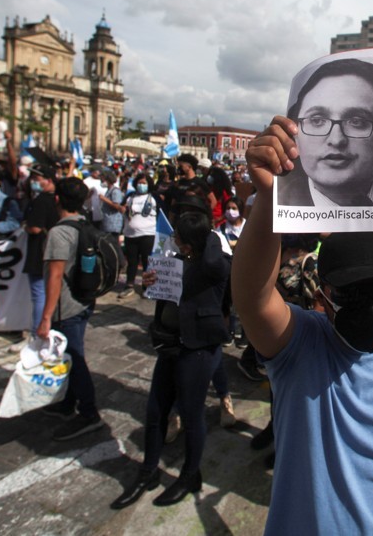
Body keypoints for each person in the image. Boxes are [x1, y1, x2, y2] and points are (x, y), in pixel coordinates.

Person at [232, 115, 373, 535]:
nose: (371, 306)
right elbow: (252, 296)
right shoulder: (299, 346)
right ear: (323, 297)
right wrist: (268, 199)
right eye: (353, 293)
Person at [111, 211, 231, 509]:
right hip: (170, 344)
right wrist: (148, 283)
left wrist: (210, 236)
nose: (173, 240)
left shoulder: (214, 264)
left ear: (190, 241)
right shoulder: (175, 261)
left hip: (199, 348)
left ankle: (191, 473)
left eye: (179, 236)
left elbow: (215, 262)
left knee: (192, 415)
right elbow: (159, 294)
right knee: (155, 411)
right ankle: (148, 471)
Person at [277, 57, 373, 207]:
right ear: (295, 134)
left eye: (357, 122)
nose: (336, 139)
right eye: (317, 120)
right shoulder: (274, 204)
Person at [36, 177, 105, 440]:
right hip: (83, 299)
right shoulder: (83, 224)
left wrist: (45, 317)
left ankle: (89, 413)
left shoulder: (59, 232)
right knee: (71, 355)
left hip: (66, 306)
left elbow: (54, 275)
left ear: (57, 200)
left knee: (75, 360)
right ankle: (67, 403)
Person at [22, 165, 59, 335]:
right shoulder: (59, 199)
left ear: (49, 180)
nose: (33, 183)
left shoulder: (41, 201)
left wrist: (26, 227)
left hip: (39, 252)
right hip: (55, 251)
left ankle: (37, 332)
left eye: (37, 180)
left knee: (39, 295)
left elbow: (35, 228)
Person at [120, 173, 157, 299]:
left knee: (147, 263)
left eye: (144, 183)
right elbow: (123, 209)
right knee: (132, 262)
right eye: (140, 183)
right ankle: (129, 285)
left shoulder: (154, 197)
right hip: (130, 234)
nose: (141, 185)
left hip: (148, 234)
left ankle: (147, 287)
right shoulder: (130, 196)